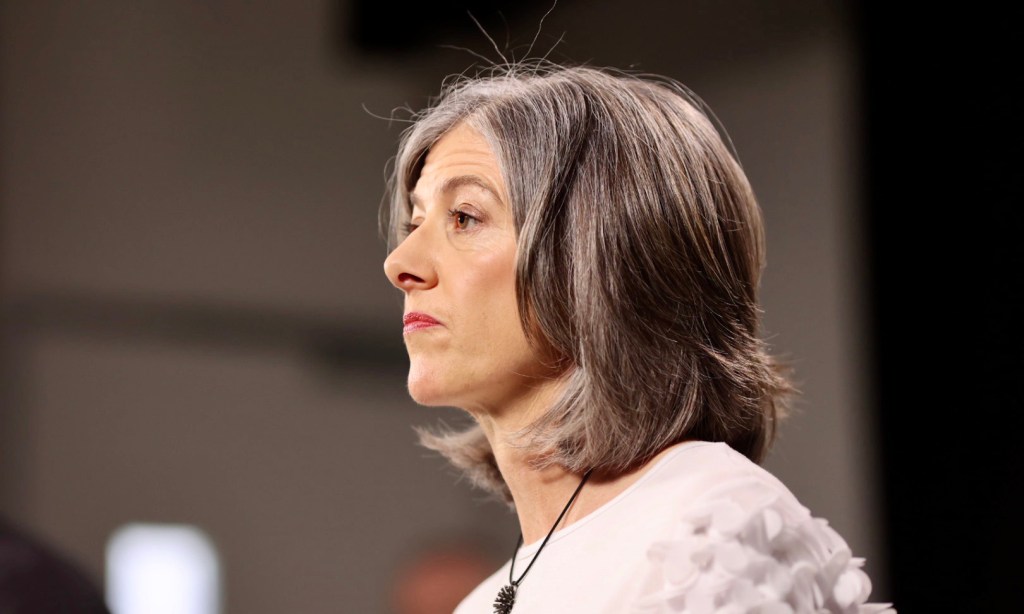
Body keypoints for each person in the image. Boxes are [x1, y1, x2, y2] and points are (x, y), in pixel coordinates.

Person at [381, 62, 893, 613]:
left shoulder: (712, 534)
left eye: (464, 217)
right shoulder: (482, 602)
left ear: (602, 258)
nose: (400, 263)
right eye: (415, 224)